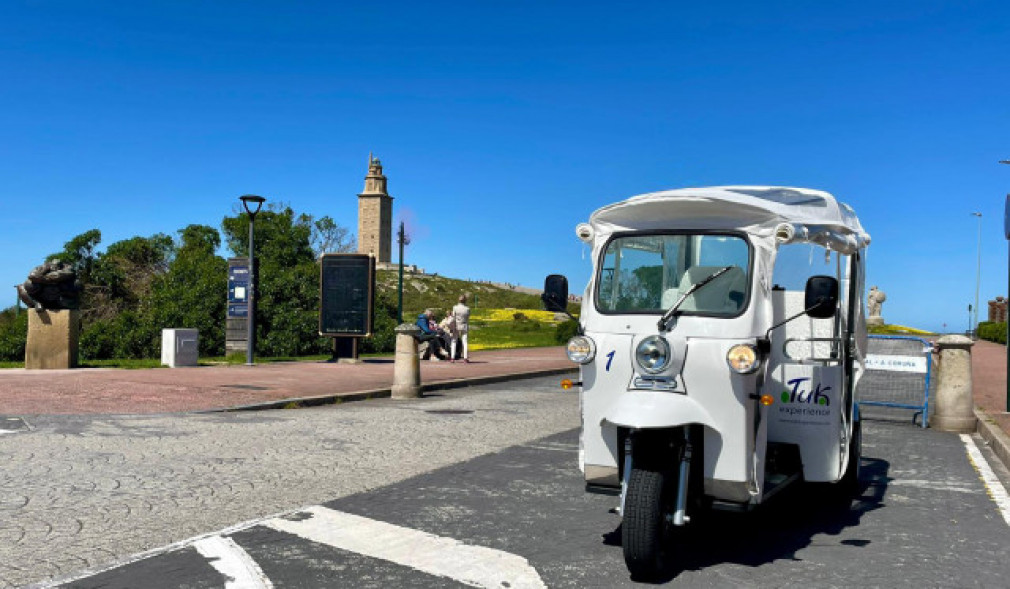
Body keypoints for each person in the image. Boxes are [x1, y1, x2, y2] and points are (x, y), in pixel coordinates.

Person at [451, 295, 471, 363]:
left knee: (454, 341)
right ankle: (465, 358)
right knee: (465, 342)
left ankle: (452, 357)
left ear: (458, 300)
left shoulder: (455, 307)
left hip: (456, 325)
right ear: (465, 300)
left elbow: (453, 317)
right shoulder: (467, 308)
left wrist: (452, 326)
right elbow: (468, 317)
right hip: (464, 325)